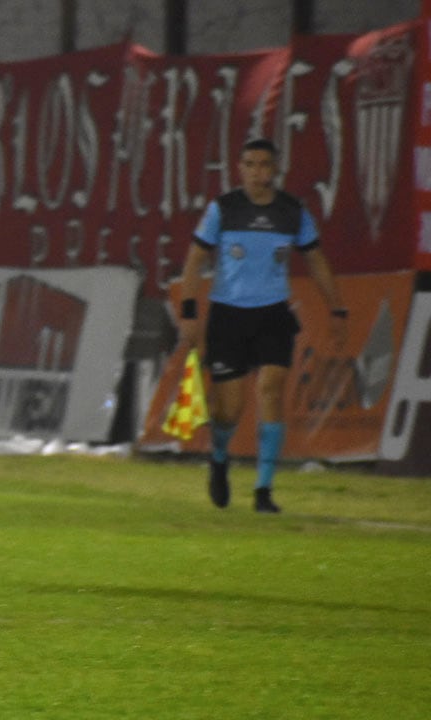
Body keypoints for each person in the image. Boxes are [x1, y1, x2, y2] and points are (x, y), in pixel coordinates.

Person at [176, 137, 346, 514]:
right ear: (241, 169)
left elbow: (316, 260)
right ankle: (219, 457)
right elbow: (194, 260)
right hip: (228, 316)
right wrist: (189, 312)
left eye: (264, 165)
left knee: (271, 389)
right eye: (250, 164)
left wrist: (337, 309)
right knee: (228, 411)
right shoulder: (224, 209)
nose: (257, 172)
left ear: (275, 169)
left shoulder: (292, 212)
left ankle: (263, 490)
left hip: (272, 315)